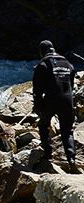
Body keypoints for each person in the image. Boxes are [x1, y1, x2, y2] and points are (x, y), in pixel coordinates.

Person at [33, 39, 77, 171]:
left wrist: (38, 106)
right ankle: (71, 158)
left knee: (43, 124)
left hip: (51, 100)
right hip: (68, 100)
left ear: (42, 51)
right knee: (67, 131)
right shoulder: (67, 63)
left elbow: (38, 90)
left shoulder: (43, 64)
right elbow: (71, 83)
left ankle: (48, 154)